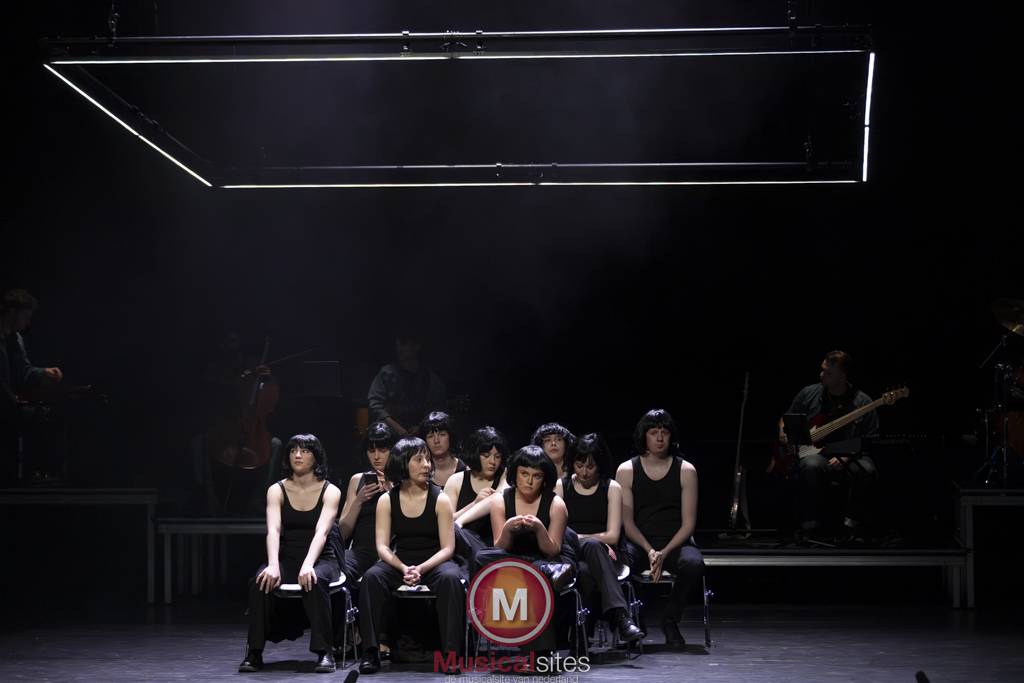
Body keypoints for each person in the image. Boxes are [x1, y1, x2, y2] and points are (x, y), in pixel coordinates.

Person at [358, 437, 464, 675]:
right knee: (372, 577)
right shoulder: (387, 500)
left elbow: (448, 548)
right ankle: (371, 652)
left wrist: (421, 569)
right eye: (419, 459)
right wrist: (404, 568)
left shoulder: (440, 499)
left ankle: (451, 655)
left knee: (450, 579)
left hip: (435, 562)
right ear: (402, 464)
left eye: (427, 459)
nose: (427, 464)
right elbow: (382, 547)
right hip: (401, 562)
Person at [240, 434, 342, 673]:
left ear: (316, 457)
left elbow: (322, 532)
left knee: (315, 578)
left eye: (305, 451)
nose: (298, 455)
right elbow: (273, 530)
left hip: (322, 557)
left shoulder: (331, 490)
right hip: (287, 557)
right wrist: (273, 564)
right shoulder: (276, 490)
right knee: (260, 581)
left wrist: (308, 564)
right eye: (293, 450)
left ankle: (325, 652)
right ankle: (254, 652)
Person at [475, 445, 576, 655]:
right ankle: (538, 569)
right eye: (524, 474)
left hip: (547, 559)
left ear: (544, 478)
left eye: (536, 476)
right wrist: (508, 529)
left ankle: (541, 652)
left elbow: (552, 550)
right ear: (515, 474)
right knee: (482, 556)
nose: (529, 481)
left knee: (538, 576)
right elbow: (499, 547)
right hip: (514, 558)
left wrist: (539, 528)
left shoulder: (556, 504)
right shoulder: (500, 500)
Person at [616, 409, 704, 647]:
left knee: (693, 563)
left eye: (664, 432)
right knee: (619, 564)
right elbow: (627, 523)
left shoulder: (686, 470)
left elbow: (688, 524)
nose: (659, 437)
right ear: (644, 435)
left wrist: (663, 552)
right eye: (653, 432)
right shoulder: (626, 470)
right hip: (639, 543)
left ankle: (670, 619)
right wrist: (649, 550)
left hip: (676, 543)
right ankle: (635, 620)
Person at [778, 350, 880, 540]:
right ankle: (810, 526)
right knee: (810, 465)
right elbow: (787, 417)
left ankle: (851, 525)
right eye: (822, 370)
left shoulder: (863, 402)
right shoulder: (809, 393)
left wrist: (848, 456)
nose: (821, 375)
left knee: (867, 469)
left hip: (852, 455)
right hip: (816, 453)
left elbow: (870, 439)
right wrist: (783, 432)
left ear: (843, 376)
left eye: (828, 373)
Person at [555, 433, 643, 643]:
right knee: (593, 546)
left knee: (587, 573)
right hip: (571, 552)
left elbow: (613, 535)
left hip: (604, 556)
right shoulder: (562, 486)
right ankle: (621, 617)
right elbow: (557, 530)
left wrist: (597, 542)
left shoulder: (611, 488)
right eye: (579, 465)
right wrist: (594, 540)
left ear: (600, 465)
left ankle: (581, 637)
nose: (584, 472)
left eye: (590, 466)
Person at [0, 289, 64, 483]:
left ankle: (36, 473)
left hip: (8, 403)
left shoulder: (16, 339)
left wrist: (43, 372)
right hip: (4, 404)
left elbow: (23, 371)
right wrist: (13, 401)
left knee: (44, 413)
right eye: (26, 316)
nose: (28, 322)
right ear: (12, 312)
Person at [445, 426, 509, 571]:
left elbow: (500, 495)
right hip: (462, 545)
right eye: (486, 455)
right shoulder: (456, 480)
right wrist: (474, 503)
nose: (493, 462)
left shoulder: (505, 476)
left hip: (493, 548)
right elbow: (447, 521)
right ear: (475, 454)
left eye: (497, 456)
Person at [367, 332, 446, 437]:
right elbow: (375, 405)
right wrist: (397, 428)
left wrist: (421, 427)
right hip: (390, 434)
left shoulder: (428, 376)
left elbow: (437, 406)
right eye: (398, 345)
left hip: (420, 434)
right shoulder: (387, 373)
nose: (400, 349)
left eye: (404, 344)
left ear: (417, 346)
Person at [419, 411, 466, 487]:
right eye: (430, 436)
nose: (436, 441)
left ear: (450, 437)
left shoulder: (465, 472)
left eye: (442, 434)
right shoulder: (419, 473)